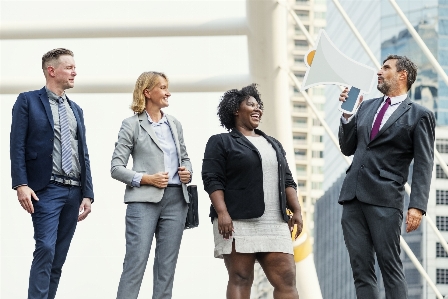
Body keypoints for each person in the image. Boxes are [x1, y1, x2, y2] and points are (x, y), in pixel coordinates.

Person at [338, 55, 435, 299]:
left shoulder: (419, 115)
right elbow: (348, 147)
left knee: (390, 266)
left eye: (386, 68)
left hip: (385, 199)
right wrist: (348, 115)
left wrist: (417, 207)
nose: (379, 72)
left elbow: (424, 163)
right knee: (361, 271)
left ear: (402, 75)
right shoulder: (366, 106)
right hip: (352, 196)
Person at [202, 84, 303, 299]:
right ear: (236, 110)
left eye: (259, 105)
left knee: (286, 279)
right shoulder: (221, 142)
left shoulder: (273, 144)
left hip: (275, 222)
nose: (257, 109)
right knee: (241, 278)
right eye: (250, 105)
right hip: (236, 220)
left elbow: (287, 179)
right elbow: (212, 179)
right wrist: (222, 212)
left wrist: (297, 211)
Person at [10, 48, 94, 299]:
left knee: (58, 257)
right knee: (45, 247)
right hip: (46, 189)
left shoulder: (76, 109)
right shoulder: (28, 101)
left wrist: (88, 193)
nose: (74, 72)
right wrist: (21, 183)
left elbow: (83, 152)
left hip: (74, 189)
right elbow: (17, 145)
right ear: (51, 70)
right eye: (69, 67)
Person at [111, 71, 192, 299]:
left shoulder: (174, 124)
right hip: (143, 202)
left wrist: (188, 172)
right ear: (148, 92)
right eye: (163, 87)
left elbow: (185, 158)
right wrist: (147, 179)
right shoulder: (131, 125)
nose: (168, 92)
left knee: (167, 268)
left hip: (177, 200)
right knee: (135, 262)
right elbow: (116, 168)